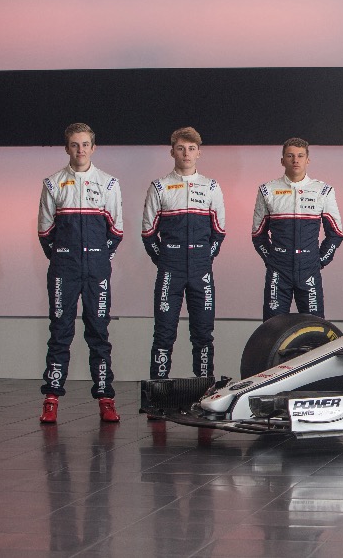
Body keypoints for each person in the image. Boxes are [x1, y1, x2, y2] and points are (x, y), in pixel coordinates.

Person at [37, 123, 123, 423]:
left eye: (85, 144)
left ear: (93, 147)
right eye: (75, 144)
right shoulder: (53, 183)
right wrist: (65, 257)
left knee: (98, 332)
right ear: (67, 148)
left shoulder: (109, 184)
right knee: (60, 332)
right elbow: (45, 232)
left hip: (97, 270)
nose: (80, 150)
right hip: (64, 269)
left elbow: (116, 231)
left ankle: (105, 397)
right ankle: (51, 399)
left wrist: (97, 258)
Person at [141, 127, 226, 380]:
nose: (186, 154)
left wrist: (203, 258)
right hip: (171, 269)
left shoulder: (211, 186)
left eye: (191, 149)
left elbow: (219, 232)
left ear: (199, 152)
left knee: (203, 333)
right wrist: (167, 260)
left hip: (201, 269)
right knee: (164, 332)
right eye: (180, 148)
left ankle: (204, 386)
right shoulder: (159, 186)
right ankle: (158, 387)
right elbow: (148, 233)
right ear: (172, 152)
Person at [252, 138, 343, 321]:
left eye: (300, 156)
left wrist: (319, 261)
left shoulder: (323, 190)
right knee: (272, 327)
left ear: (307, 160)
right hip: (279, 270)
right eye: (290, 156)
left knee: (314, 325)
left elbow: (335, 234)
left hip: (309, 269)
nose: (295, 160)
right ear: (282, 160)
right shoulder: (267, 190)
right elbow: (258, 234)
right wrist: (272, 259)